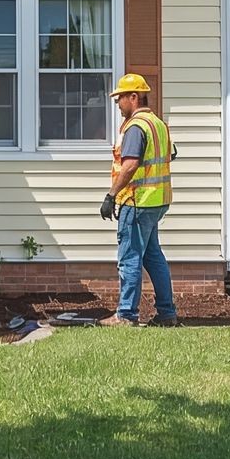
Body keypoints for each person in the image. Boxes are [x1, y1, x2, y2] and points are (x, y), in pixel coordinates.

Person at [97, 73, 178, 327]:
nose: (117, 103)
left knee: (129, 257)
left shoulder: (135, 127)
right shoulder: (158, 124)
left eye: (120, 97)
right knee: (153, 256)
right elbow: (171, 155)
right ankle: (166, 313)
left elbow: (130, 165)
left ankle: (126, 315)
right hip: (158, 201)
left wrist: (111, 195)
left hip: (137, 200)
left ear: (134, 97)